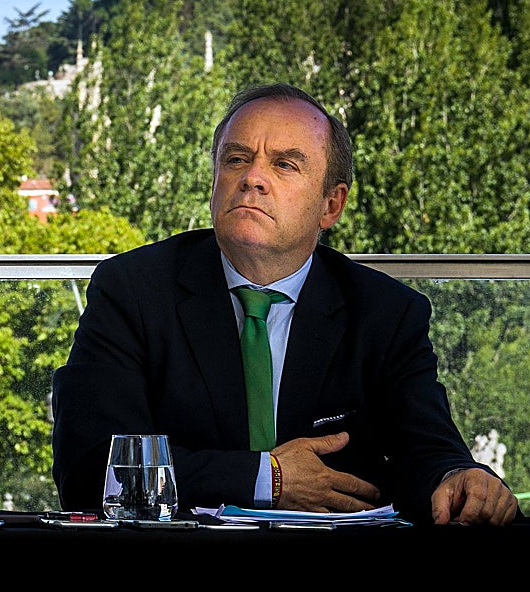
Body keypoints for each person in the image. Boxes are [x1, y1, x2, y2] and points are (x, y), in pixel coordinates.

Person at [51, 83, 522, 526]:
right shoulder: (132, 290)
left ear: (330, 205)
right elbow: (91, 469)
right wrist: (265, 479)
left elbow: (427, 450)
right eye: (236, 159)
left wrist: (457, 480)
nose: (252, 178)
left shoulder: (385, 313)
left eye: (284, 165)